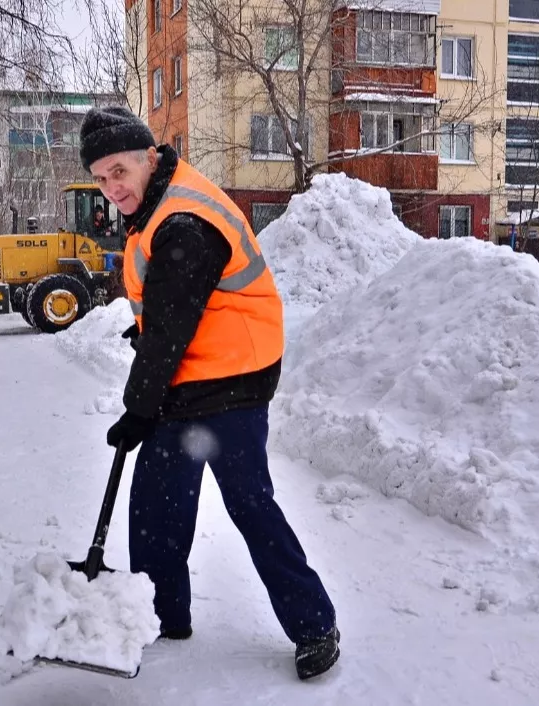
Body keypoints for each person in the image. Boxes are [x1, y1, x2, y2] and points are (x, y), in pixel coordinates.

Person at [78, 106, 340, 681]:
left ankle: (316, 625)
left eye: (118, 171)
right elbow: (169, 312)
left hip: (233, 378)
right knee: (156, 501)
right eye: (100, 178)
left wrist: (137, 408)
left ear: (149, 158)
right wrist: (146, 344)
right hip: (190, 368)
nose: (111, 188)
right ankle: (158, 613)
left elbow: (172, 324)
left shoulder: (183, 223)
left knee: (249, 503)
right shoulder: (155, 205)